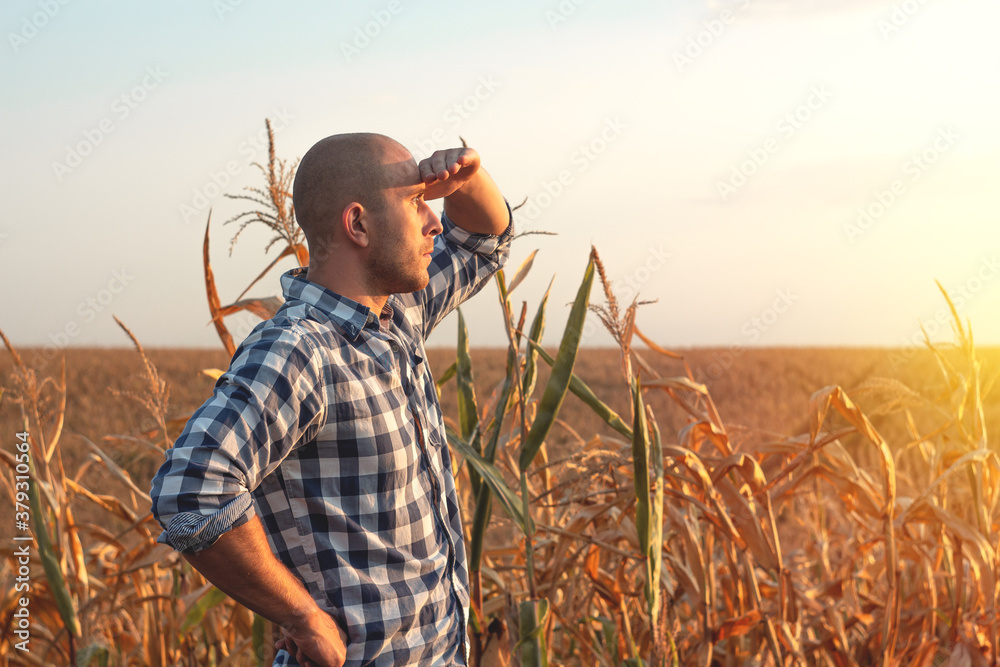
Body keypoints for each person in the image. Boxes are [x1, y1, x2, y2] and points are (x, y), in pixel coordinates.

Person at [149, 132, 513, 667]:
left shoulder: (398, 316)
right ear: (358, 224)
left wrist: (466, 178)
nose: (434, 219)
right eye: (415, 202)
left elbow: (486, 240)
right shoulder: (299, 350)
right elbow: (190, 493)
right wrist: (301, 616)